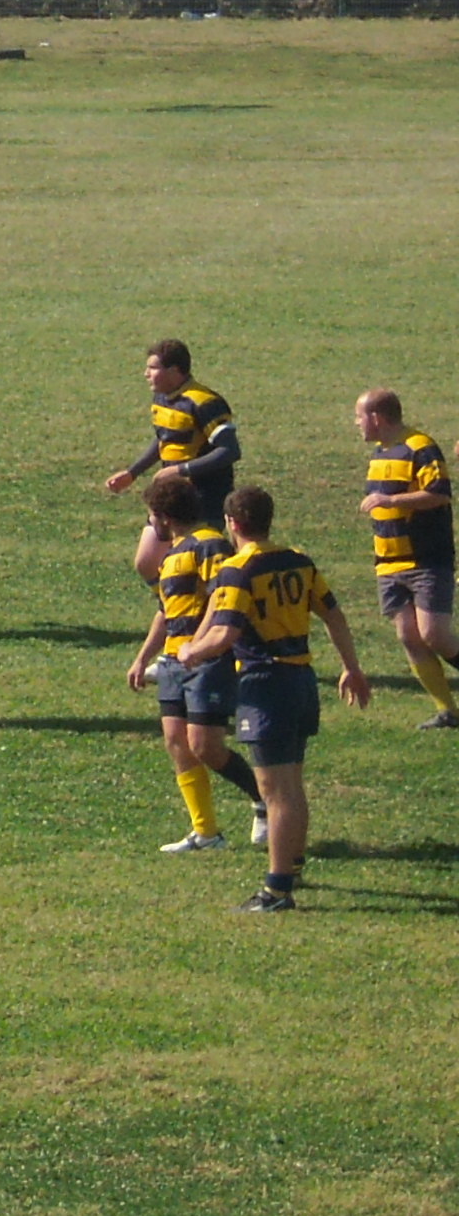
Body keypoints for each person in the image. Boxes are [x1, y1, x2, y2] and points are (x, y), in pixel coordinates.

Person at [177, 486, 376, 913]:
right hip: (301, 679)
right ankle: (292, 864)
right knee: (291, 784)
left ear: (232, 523)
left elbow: (225, 633)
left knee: (277, 792)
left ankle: (277, 889)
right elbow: (333, 614)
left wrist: (190, 652)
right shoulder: (298, 560)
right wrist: (351, 667)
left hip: (265, 683)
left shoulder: (238, 570)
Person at [125, 470, 267, 852]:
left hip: (205, 660)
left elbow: (222, 596)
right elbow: (165, 611)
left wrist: (201, 644)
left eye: (151, 516)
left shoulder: (209, 545)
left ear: (163, 516)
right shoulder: (174, 553)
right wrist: (143, 658)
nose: (150, 523)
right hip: (174, 661)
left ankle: (263, 798)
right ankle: (205, 832)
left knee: (206, 746)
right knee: (176, 743)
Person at [355, 389, 459, 729]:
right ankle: (449, 711)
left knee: (434, 635)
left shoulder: (420, 447)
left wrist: (390, 501)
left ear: (376, 417)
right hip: (388, 563)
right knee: (408, 637)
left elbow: (439, 494)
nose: (357, 423)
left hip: (426, 559)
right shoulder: (378, 454)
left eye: (359, 417)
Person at [102, 339, 238, 587]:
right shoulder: (162, 398)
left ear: (175, 371)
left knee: (195, 574)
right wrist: (133, 473)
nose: (146, 374)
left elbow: (229, 451)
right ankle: (172, 609)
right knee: (146, 562)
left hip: (202, 500)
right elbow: (164, 439)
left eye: (153, 368)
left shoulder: (205, 403)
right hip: (170, 497)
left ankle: (197, 616)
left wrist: (179, 470)